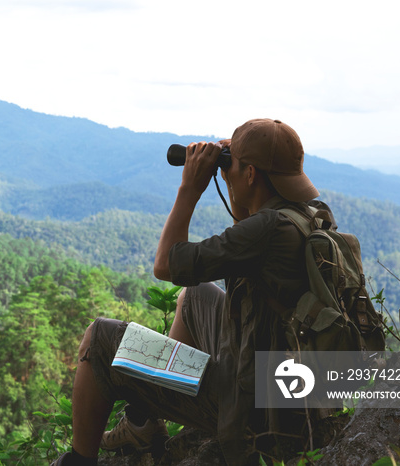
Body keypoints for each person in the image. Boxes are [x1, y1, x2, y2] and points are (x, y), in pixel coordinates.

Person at [52, 118, 324, 466]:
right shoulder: (307, 216)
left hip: (258, 412)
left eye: (237, 166)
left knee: (100, 336)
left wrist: (190, 187)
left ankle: (80, 460)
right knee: (195, 295)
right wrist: (233, 174)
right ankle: (143, 421)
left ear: (252, 174)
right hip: (296, 390)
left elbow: (165, 264)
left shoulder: (267, 230)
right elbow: (248, 228)